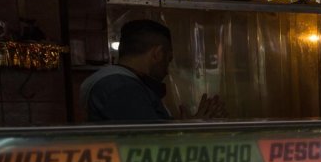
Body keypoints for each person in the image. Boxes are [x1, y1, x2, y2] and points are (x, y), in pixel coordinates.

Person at [80, 19, 224, 122]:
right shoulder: (122, 88)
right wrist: (193, 127)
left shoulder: (117, 83)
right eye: (168, 59)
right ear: (158, 54)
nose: (167, 71)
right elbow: (150, 142)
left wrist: (185, 125)